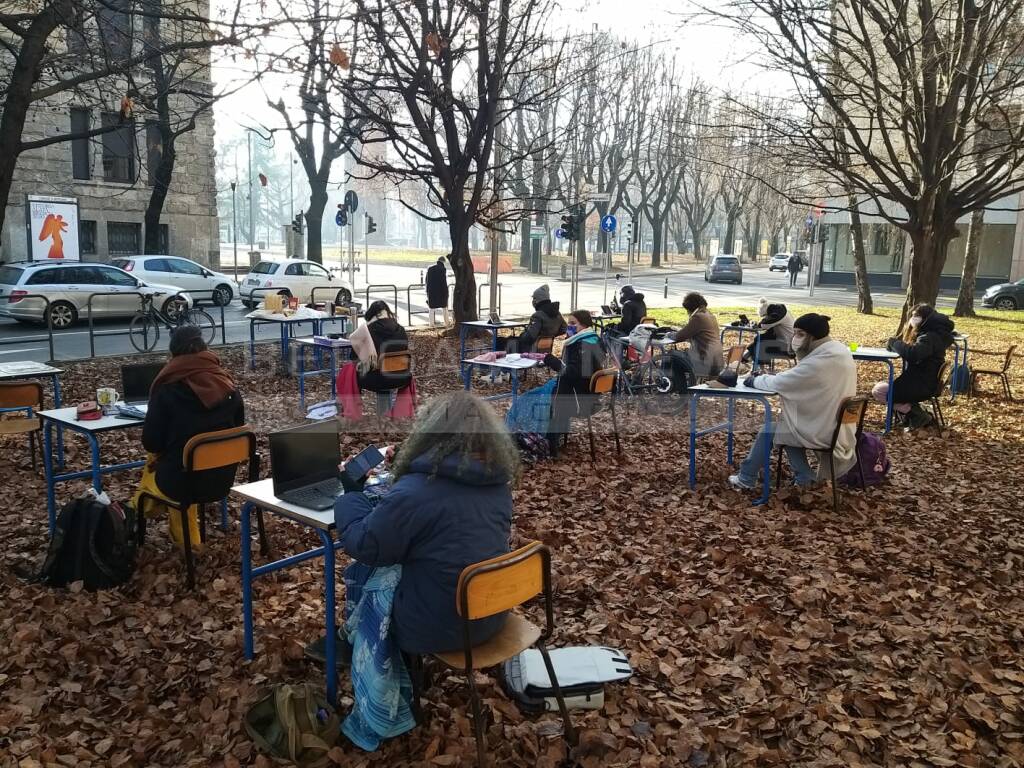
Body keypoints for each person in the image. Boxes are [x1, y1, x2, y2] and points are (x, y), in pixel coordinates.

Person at [335, 390, 516, 654]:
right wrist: (408, 467)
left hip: (435, 628)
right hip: (491, 614)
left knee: (377, 572)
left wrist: (351, 494)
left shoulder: (415, 493)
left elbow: (366, 546)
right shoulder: (497, 484)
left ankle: (354, 644)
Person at [134, 325, 245, 550]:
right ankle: (147, 506)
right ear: (205, 350)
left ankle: (140, 507)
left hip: (179, 484)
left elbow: (152, 442)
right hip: (222, 479)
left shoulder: (166, 390)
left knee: (158, 460)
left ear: (173, 356)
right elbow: (238, 426)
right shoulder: (228, 387)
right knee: (182, 459)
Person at [729, 313, 857, 490]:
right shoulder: (838, 351)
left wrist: (755, 380)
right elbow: (797, 378)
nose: (795, 338)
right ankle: (805, 477)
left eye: (800, 334)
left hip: (825, 429)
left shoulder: (820, 361)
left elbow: (782, 383)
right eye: (795, 332)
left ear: (813, 336)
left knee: (770, 430)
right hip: (836, 425)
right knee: (787, 427)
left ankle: (745, 478)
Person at [872, 304, 955, 429]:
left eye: (916, 316)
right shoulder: (936, 335)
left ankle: (915, 413)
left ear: (925, 318)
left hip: (921, 385)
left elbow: (913, 354)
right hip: (926, 382)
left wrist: (895, 343)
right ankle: (915, 412)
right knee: (885, 387)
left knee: (879, 391)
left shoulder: (928, 337)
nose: (913, 318)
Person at [544, 310, 610, 454]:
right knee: (553, 389)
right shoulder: (594, 339)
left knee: (540, 396)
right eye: (568, 324)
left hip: (579, 399)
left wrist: (550, 360)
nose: (570, 327)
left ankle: (548, 441)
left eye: (573, 324)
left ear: (584, 325)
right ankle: (552, 437)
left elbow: (571, 372)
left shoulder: (580, 345)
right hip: (591, 395)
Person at [337, 301, 413, 418]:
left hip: (378, 379)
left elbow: (353, 357)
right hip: (402, 377)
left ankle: (350, 410)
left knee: (348, 369)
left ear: (371, 315)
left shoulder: (368, 331)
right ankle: (389, 414)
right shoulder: (401, 329)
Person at [663, 292, 724, 390]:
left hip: (704, 362)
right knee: (678, 357)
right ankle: (675, 387)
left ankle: (678, 390)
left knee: (671, 357)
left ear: (689, 308)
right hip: (716, 361)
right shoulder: (710, 315)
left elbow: (679, 336)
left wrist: (669, 334)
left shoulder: (698, 317)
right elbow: (700, 335)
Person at [503, 284, 567, 352]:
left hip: (531, 349)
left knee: (505, 341)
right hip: (546, 349)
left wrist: (522, 335)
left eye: (534, 298)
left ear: (538, 300)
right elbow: (564, 328)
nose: (533, 301)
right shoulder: (557, 314)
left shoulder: (537, 315)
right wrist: (550, 336)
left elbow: (530, 336)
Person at [745, 298, 795, 363]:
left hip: (787, 348)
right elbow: (768, 332)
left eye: (765, 316)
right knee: (759, 339)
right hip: (788, 344)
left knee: (760, 345)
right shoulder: (781, 311)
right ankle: (746, 358)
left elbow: (763, 325)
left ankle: (755, 366)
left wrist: (757, 325)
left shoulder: (777, 316)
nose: (764, 318)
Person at [425, 256, 450, 327]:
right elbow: (443, 282)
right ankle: (447, 323)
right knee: (444, 307)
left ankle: (431, 324)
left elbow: (426, 281)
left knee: (431, 308)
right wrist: (446, 293)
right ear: (443, 261)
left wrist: (427, 291)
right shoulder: (443, 269)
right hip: (441, 292)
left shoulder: (430, 269)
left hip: (431, 291)